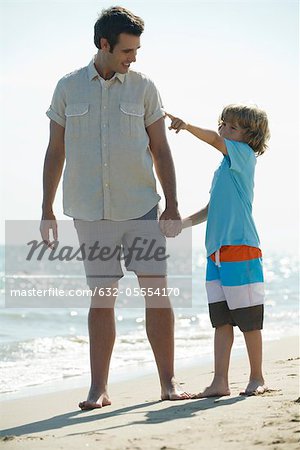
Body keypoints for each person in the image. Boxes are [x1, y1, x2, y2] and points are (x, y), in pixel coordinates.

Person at [40, 6, 191, 410]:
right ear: (104, 45)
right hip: (90, 211)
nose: (134, 57)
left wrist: (172, 205)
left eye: (137, 49)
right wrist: (46, 208)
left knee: (156, 293)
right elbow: (55, 151)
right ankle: (98, 389)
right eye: (127, 50)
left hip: (142, 207)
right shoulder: (68, 87)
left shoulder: (144, 87)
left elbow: (161, 149)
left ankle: (168, 383)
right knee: (101, 297)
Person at [166, 104, 270, 397]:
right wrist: (182, 224)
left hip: (241, 247)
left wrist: (186, 127)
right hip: (216, 254)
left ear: (249, 137)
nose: (223, 128)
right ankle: (219, 382)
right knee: (221, 321)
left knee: (248, 320)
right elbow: (212, 210)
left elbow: (213, 140)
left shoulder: (244, 156)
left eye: (232, 127)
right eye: (222, 123)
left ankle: (257, 377)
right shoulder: (223, 169)